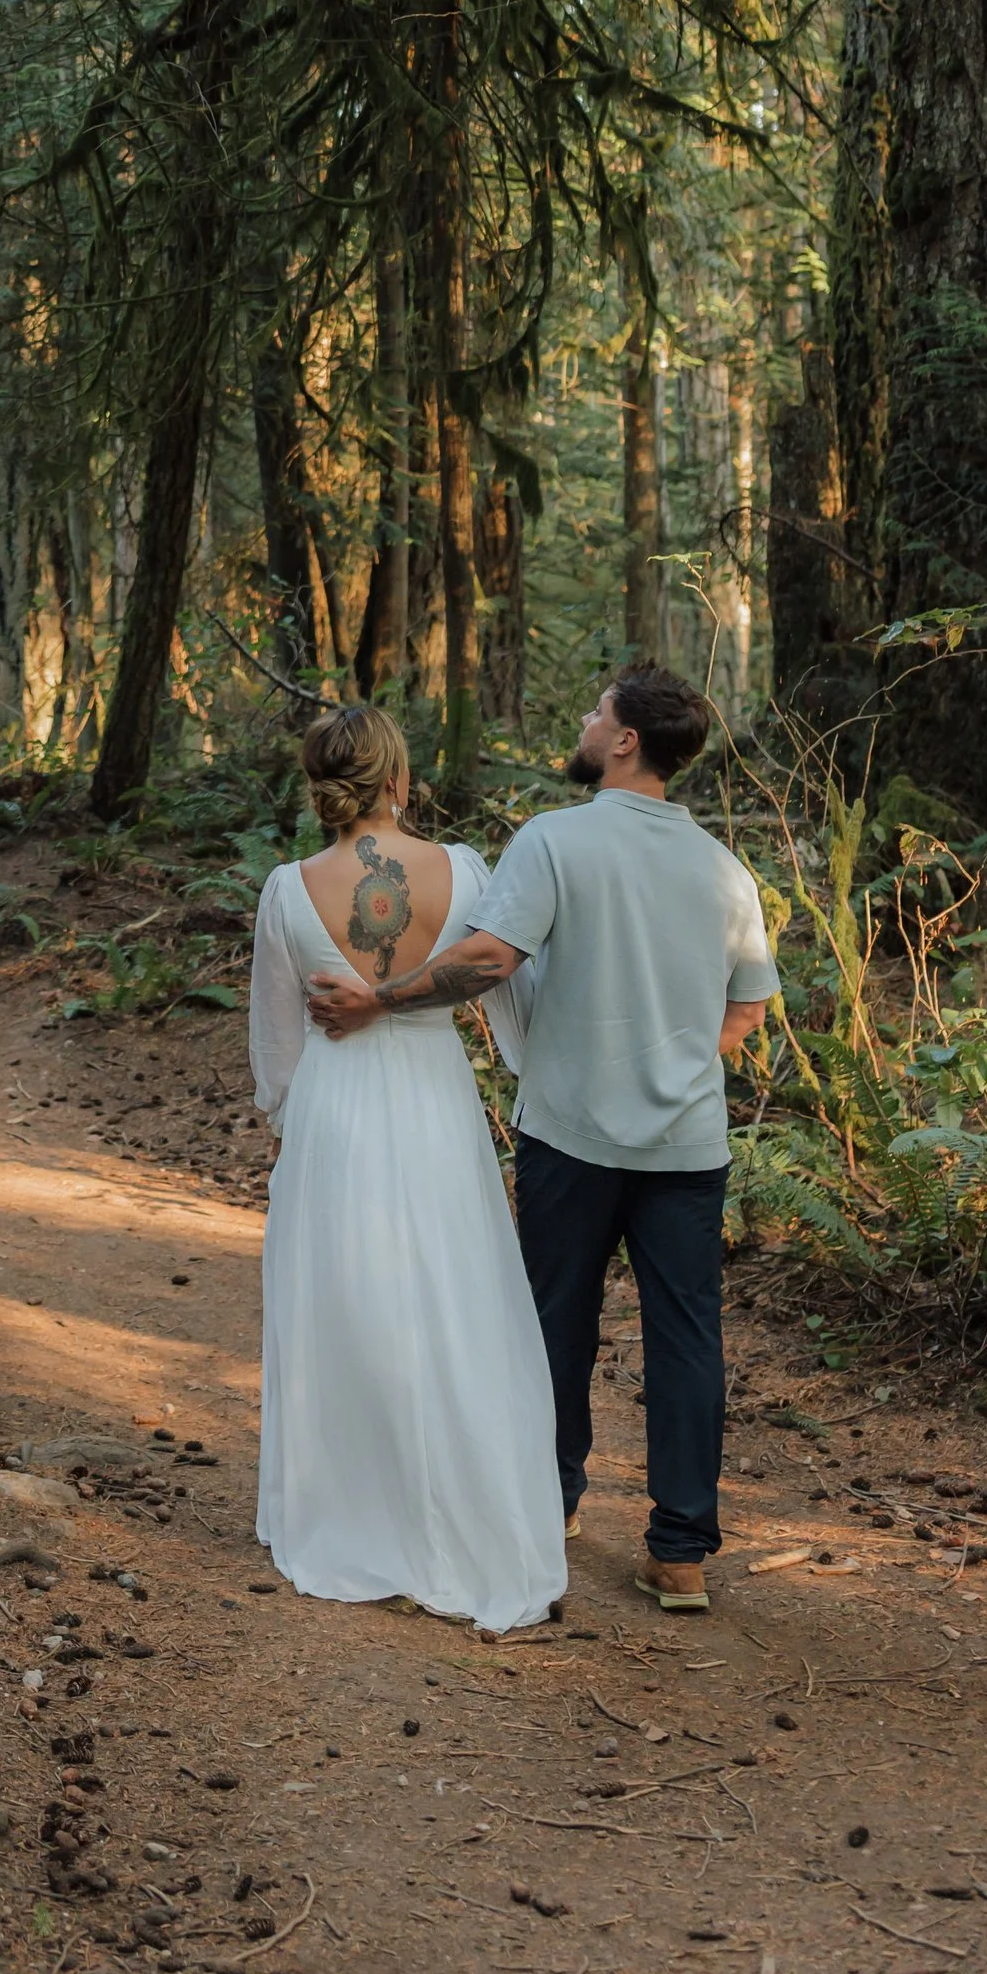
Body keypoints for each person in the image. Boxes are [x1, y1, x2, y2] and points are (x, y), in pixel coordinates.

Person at [308, 664, 778, 1613]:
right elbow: (751, 1009)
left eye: (596, 710)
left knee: (553, 1324)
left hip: (571, 1132)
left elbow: (487, 958)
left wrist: (379, 999)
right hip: (688, 1146)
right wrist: (684, 1066)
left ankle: (549, 1504)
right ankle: (680, 1552)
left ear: (626, 741)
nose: (584, 717)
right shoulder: (725, 871)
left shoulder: (557, 841)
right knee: (686, 1337)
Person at [250, 700, 568, 1631]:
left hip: (336, 1110)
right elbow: (501, 988)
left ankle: (352, 1510)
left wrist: (288, 1128)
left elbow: (277, 1044)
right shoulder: (464, 871)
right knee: (454, 1297)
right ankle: (464, 1510)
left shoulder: (285, 887)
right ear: (398, 779)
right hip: (434, 1105)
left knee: (347, 1306)